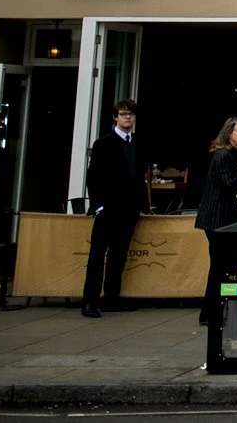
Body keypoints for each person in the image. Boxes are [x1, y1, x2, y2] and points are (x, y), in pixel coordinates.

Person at [80, 99, 145, 318]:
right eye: (124, 114)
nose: (128, 117)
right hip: (108, 209)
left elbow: (138, 176)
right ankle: (89, 301)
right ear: (115, 117)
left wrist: (142, 206)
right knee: (97, 255)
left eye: (131, 114)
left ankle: (111, 299)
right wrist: (98, 205)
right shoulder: (104, 143)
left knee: (119, 256)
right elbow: (93, 176)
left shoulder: (136, 142)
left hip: (129, 210)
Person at [196, 117, 237, 325]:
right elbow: (228, 184)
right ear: (229, 134)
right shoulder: (223, 155)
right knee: (219, 265)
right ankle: (210, 312)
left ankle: (212, 311)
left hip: (217, 218)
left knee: (220, 264)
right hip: (217, 219)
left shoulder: (225, 155)